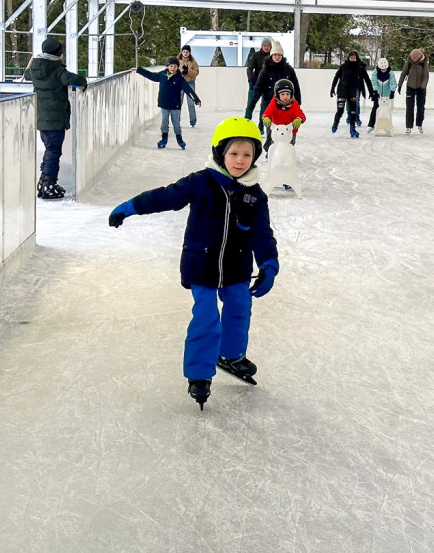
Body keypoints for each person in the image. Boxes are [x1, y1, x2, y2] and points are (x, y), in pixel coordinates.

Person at [107, 118, 278, 410]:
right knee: (206, 316)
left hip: (237, 267)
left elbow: (262, 233)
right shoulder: (202, 182)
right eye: (234, 153)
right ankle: (200, 373)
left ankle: (230, 355)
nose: (240, 161)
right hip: (202, 265)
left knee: (239, 307)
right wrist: (130, 207)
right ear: (220, 153)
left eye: (247, 155)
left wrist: (269, 264)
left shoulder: (254, 195)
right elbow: (165, 196)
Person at [26, 37, 87, 200]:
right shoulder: (57, 69)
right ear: (58, 53)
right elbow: (72, 79)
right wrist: (83, 80)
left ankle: (44, 181)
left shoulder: (35, 67)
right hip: (55, 118)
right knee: (53, 151)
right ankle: (48, 184)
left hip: (41, 118)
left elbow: (27, 75)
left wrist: (31, 63)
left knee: (49, 150)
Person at [136, 57, 200, 149]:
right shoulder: (162, 75)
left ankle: (180, 140)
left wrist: (196, 99)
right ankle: (164, 139)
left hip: (175, 105)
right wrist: (139, 70)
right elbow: (151, 75)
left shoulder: (180, 78)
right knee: (164, 123)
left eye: (175, 66)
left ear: (178, 67)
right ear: (167, 66)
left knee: (176, 123)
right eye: (171, 66)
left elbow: (188, 90)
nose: (172, 68)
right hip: (164, 104)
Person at [253, 41, 301, 136]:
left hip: (287, 106)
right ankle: (269, 149)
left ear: (282, 56)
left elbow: (296, 86)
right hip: (270, 105)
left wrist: (298, 103)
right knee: (272, 135)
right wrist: (252, 104)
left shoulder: (288, 69)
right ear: (271, 56)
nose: (277, 57)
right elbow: (258, 88)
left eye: (279, 55)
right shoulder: (265, 70)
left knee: (286, 135)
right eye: (275, 55)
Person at [330, 50, 376, 139]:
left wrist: (371, 92)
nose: (353, 60)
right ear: (348, 58)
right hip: (342, 91)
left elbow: (367, 80)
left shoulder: (360, 68)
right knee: (340, 110)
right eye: (351, 58)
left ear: (357, 58)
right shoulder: (344, 66)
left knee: (353, 111)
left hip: (352, 92)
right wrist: (332, 88)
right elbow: (336, 77)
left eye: (354, 58)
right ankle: (335, 124)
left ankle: (352, 129)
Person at [261, 78, 305, 152]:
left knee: (288, 147)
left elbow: (301, 114)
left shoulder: (294, 104)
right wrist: (266, 117)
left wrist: (299, 119)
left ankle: (288, 157)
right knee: (275, 146)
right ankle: (273, 155)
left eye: (288, 94)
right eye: (282, 94)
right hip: (277, 130)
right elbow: (267, 112)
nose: (285, 96)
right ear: (277, 95)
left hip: (289, 131)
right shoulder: (274, 103)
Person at [397, 48, 430, 134]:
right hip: (410, 86)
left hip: (420, 87)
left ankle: (419, 124)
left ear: (419, 57)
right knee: (409, 107)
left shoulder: (424, 63)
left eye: (414, 59)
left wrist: (423, 86)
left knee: (420, 107)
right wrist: (399, 85)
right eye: (412, 58)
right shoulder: (409, 61)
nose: (413, 60)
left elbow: (426, 76)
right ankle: (408, 126)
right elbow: (404, 73)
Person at [245, 38, 273, 120]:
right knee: (250, 103)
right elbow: (250, 68)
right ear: (262, 46)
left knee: (264, 106)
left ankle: (261, 125)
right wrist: (250, 80)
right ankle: (247, 121)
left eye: (268, 45)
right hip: (255, 83)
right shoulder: (256, 55)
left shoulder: (273, 56)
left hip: (267, 85)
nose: (266, 47)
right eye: (265, 45)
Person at [369, 57, 397, 133]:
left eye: (385, 69)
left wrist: (392, 91)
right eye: (382, 69)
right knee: (375, 108)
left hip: (386, 95)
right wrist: (375, 91)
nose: (384, 71)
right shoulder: (375, 72)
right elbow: (374, 82)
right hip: (377, 94)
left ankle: (387, 126)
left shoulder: (390, 73)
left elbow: (393, 83)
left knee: (386, 111)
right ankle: (371, 125)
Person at [177, 44, 201, 127]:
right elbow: (173, 70)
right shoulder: (178, 61)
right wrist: (181, 73)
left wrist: (188, 71)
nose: (185, 53)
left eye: (187, 52)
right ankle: (176, 119)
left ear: (189, 53)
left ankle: (193, 121)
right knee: (178, 101)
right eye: (184, 51)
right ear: (182, 52)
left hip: (190, 83)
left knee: (191, 102)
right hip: (180, 83)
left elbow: (196, 73)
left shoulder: (193, 62)